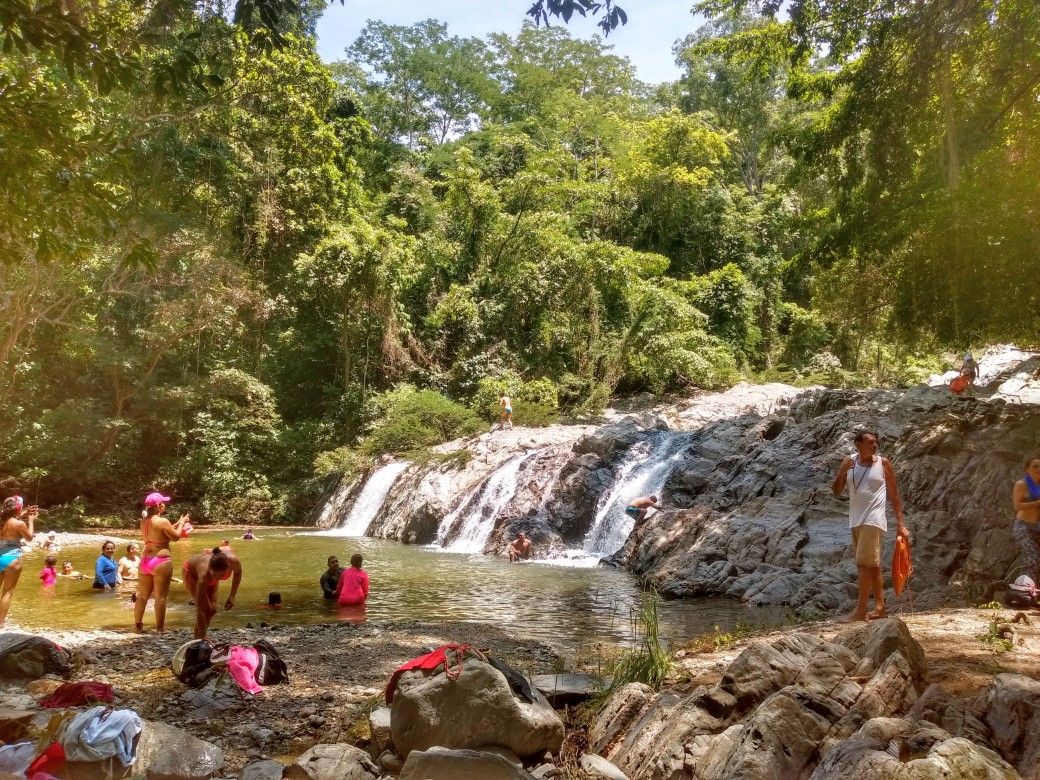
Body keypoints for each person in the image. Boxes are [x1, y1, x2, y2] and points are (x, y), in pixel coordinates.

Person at [833, 430, 909, 622]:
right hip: (855, 520)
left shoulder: (883, 463)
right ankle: (880, 608)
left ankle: (860, 612)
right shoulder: (848, 461)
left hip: (873, 519)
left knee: (863, 564)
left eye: (876, 442)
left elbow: (894, 495)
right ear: (858, 445)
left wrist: (901, 523)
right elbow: (836, 491)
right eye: (870, 442)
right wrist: (841, 473)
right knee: (873, 566)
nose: (875, 445)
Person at [134, 492, 189, 633]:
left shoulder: (144, 521)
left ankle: (138, 626)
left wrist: (177, 522)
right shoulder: (162, 521)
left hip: (145, 561)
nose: (165, 504)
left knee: (143, 596)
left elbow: (163, 531)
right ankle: (160, 629)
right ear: (158, 506)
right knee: (160, 597)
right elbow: (175, 537)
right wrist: (182, 523)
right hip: (160, 561)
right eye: (163, 502)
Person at [183, 547, 242, 639]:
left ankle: (199, 636)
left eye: (222, 575)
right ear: (210, 568)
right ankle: (198, 639)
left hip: (210, 576)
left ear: (228, 566)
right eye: (214, 574)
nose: (218, 578)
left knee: (213, 609)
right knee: (206, 609)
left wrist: (232, 596)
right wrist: (203, 639)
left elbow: (238, 573)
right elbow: (200, 610)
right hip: (192, 574)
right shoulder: (204, 574)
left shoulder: (233, 561)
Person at [0, 497, 35, 626]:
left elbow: (10, 519)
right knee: (7, 592)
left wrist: (24, 514)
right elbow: (29, 537)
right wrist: (30, 521)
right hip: (12, 559)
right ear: (18, 508)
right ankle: (1, 623)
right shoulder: (19, 524)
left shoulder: (2, 521)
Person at [1011, 457, 1040, 586]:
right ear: (1027, 470)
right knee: (1033, 558)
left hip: (1037, 527)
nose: (1039, 469)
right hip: (1023, 527)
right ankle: (1025, 590)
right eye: (1035, 466)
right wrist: (1037, 503)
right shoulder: (1022, 484)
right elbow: (1017, 506)